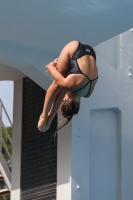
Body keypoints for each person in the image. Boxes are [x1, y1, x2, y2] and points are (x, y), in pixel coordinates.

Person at [38, 40, 98, 133]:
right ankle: (44, 115)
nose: (63, 95)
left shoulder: (87, 93)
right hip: (74, 48)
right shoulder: (69, 84)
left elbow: (64, 93)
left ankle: (49, 119)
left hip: (90, 51)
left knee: (63, 86)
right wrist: (53, 65)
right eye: (64, 97)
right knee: (57, 85)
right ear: (67, 98)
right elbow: (49, 67)